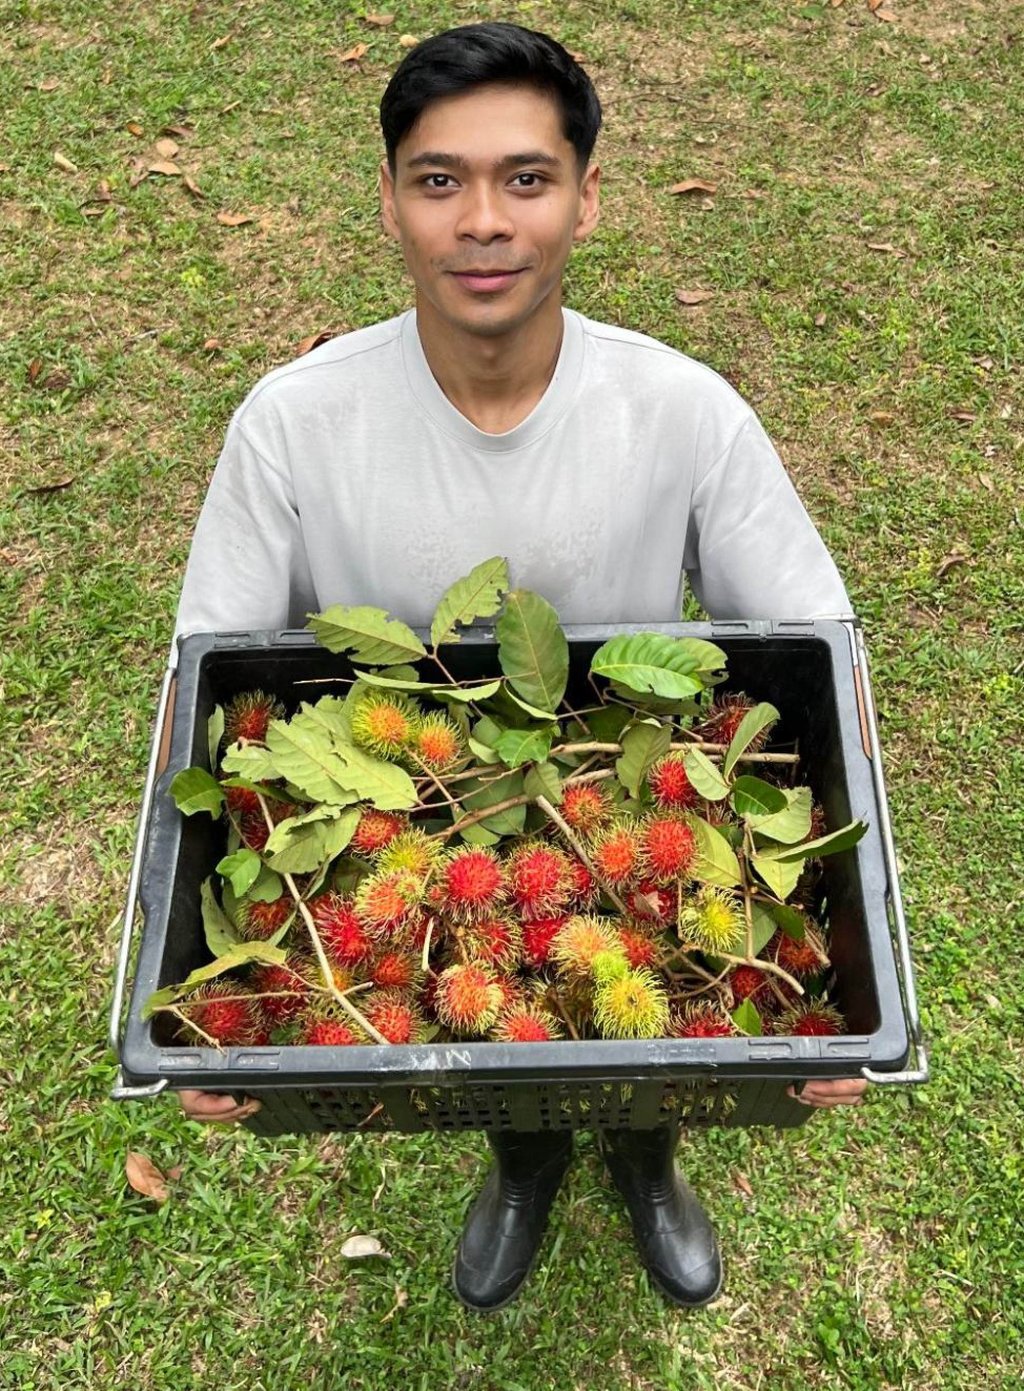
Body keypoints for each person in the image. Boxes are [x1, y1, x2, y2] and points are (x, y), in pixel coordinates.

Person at [172, 22, 868, 1313]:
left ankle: (649, 1155)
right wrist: (200, 1021)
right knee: (489, 1032)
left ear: (587, 197)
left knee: (639, 1018)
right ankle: (528, 1154)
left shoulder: (684, 412)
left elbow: (818, 660)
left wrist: (836, 978)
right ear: (390, 200)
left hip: (616, 786)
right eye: (440, 181)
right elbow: (207, 694)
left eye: (525, 179)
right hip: (406, 817)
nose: (482, 220)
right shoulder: (291, 427)